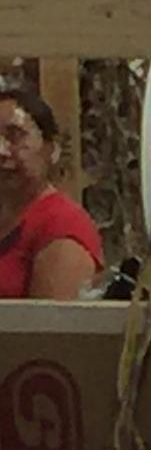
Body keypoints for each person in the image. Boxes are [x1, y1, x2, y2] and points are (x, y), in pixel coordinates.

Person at [0, 85, 101, 300]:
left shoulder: (62, 225)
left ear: (52, 149)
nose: (1, 150)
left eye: (15, 136)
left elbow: (53, 329)